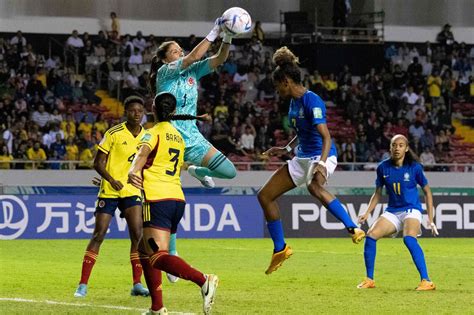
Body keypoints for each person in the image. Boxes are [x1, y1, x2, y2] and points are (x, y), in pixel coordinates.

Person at [257, 47, 365, 275]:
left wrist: (322, 163)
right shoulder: (293, 103)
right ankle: (280, 249)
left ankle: (352, 227)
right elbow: (301, 131)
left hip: (322, 154)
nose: (276, 90)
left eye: (277, 85)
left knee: (314, 186)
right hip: (302, 156)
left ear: (286, 81)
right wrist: (285, 148)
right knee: (264, 196)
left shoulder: (312, 101)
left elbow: (326, 136)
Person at [128, 92, 218, 315]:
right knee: (143, 250)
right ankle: (157, 308)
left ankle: (203, 280)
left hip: (157, 199)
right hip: (177, 198)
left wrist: (133, 171)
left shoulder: (152, 133)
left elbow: (142, 155)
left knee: (157, 256)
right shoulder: (177, 136)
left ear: (153, 109)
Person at [74, 96, 149, 298]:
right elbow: (97, 163)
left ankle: (137, 284)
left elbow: (147, 165)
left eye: (140, 111)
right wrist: (110, 179)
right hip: (110, 190)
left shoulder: (147, 137)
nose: (137, 114)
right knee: (99, 234)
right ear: (126, 112)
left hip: (132, 191)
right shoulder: (113, 133)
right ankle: (82, 284)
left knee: (137, 235)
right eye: (133, 110)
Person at [151, 18, 237, 190]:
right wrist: (215, 30)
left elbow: (220, 58)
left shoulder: (193, 71)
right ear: (165, 60)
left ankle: (196, 171)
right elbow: (195, 56)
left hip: (193, 138)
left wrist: (228, 36)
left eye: (180, 50)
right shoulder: (164, 73)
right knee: (163, 187)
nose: (180, 53)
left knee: (229, 171)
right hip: (169, 137)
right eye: (175, 52)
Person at [357, 134, 438, 291]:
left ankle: (426, 280)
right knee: (371, 235)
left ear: (406, 148)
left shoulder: (414, 167)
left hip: (411, 210)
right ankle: (369, 279)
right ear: (390, 148)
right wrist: (367, 212)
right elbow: (378, 193)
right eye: (394, 145)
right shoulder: (383, 167)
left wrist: (431, 218)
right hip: (393, 211)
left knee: (408, 239)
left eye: (401, 145)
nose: (397, 148)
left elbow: (428, 192)